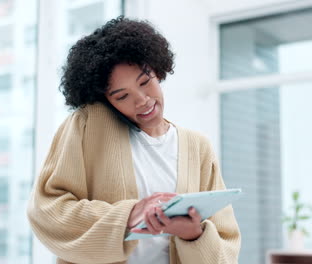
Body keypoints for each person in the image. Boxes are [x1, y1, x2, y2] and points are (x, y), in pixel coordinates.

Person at [27, 16, 241, 264]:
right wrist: (128, 216)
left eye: (145, 81)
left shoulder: (197, 147)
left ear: (157, 70)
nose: (141, 100)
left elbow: (226, 251)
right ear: (106, 100)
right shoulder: (88, 125)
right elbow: (47, 211)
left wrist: (193, 234)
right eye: (121, 96)